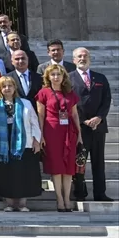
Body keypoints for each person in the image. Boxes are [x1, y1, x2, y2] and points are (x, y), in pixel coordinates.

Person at [0, 75, 43, 212]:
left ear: (15, 87)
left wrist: (36, 140)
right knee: (5, 173)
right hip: (2, 144)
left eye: (10, 86)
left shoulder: (26, 103)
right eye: (4, 86)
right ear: (0, 89)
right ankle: (9, 204)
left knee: (23, 172)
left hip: (23, 143)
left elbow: (34, 122)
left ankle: (22, 204)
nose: (7, 88)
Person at [69, 47, 112, 202]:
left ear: (89, 58)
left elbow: (107, 99)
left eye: (85, 56)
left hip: (98, 127)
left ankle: (100, 193)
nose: (82, 58)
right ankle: (80, 193)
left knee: (98, 162)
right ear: (74, 60)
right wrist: (83, 120)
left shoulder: (100, 78)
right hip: (79, 127)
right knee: (79, 161)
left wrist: (99, 117)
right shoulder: (69, 78)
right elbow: (68, 102)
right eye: (79, 56)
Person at [37, 62, 81, 211]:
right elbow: (41, 115)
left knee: (68, 167)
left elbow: (74, 114)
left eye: (59, 74)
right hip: (52, 131)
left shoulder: (70, 93)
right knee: (56, 166)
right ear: (48, 77)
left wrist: (79, 134)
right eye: (53, 74)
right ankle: (59, 199)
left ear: (63, 77)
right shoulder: (43, 92)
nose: (56, 77)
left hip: (69, 131)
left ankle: (67, 199)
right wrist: (41, 135)